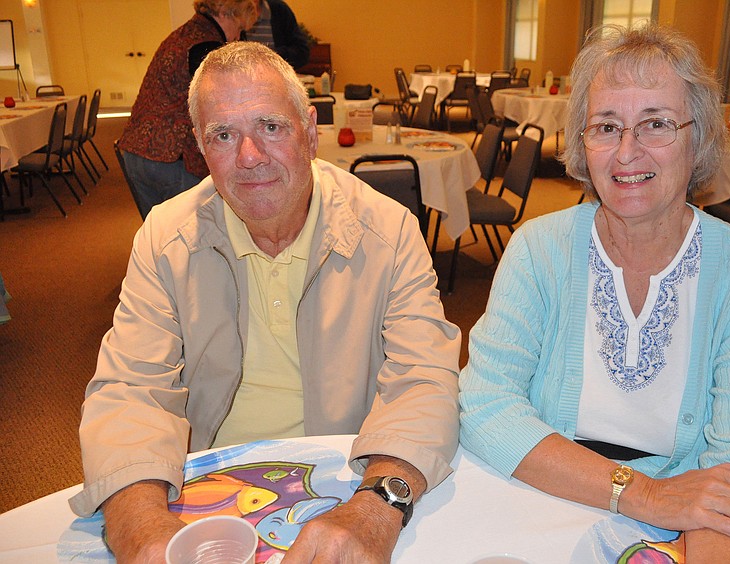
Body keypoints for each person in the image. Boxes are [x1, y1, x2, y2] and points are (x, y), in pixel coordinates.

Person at [70, 41, 460, 562]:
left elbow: (425, 380)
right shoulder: (164, 238)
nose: (249, 157)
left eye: (271, 127)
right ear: (200, 151)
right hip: (204, 484)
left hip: (353, 475)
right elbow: (130, 392)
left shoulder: (389, 232)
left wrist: (375, 506)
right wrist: (140, 528)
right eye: (224, 135)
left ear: (311, 134)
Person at [458, 24, 730, 563]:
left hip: (687, 530)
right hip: (541, 493)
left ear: (701, 137)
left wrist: (681, 516)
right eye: (607, 126)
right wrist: (646, 494)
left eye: (656, 124)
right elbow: (484, 405)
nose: (627, 152)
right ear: (581, 142)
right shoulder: (538, 250)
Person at [117, 0, 258, 219]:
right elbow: (222, 108)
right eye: (238, 28)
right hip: (171, 158)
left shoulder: (184, 35)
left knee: (162, 235)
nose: (236, 38)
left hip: (138, 153)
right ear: (225, 13)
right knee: (191, 234)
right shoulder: (206, 45)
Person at [245, 0, 311, 69]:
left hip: (277, 73)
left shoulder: (279, 10)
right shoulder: (235, 13)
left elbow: (302, 52)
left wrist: (270, 54)